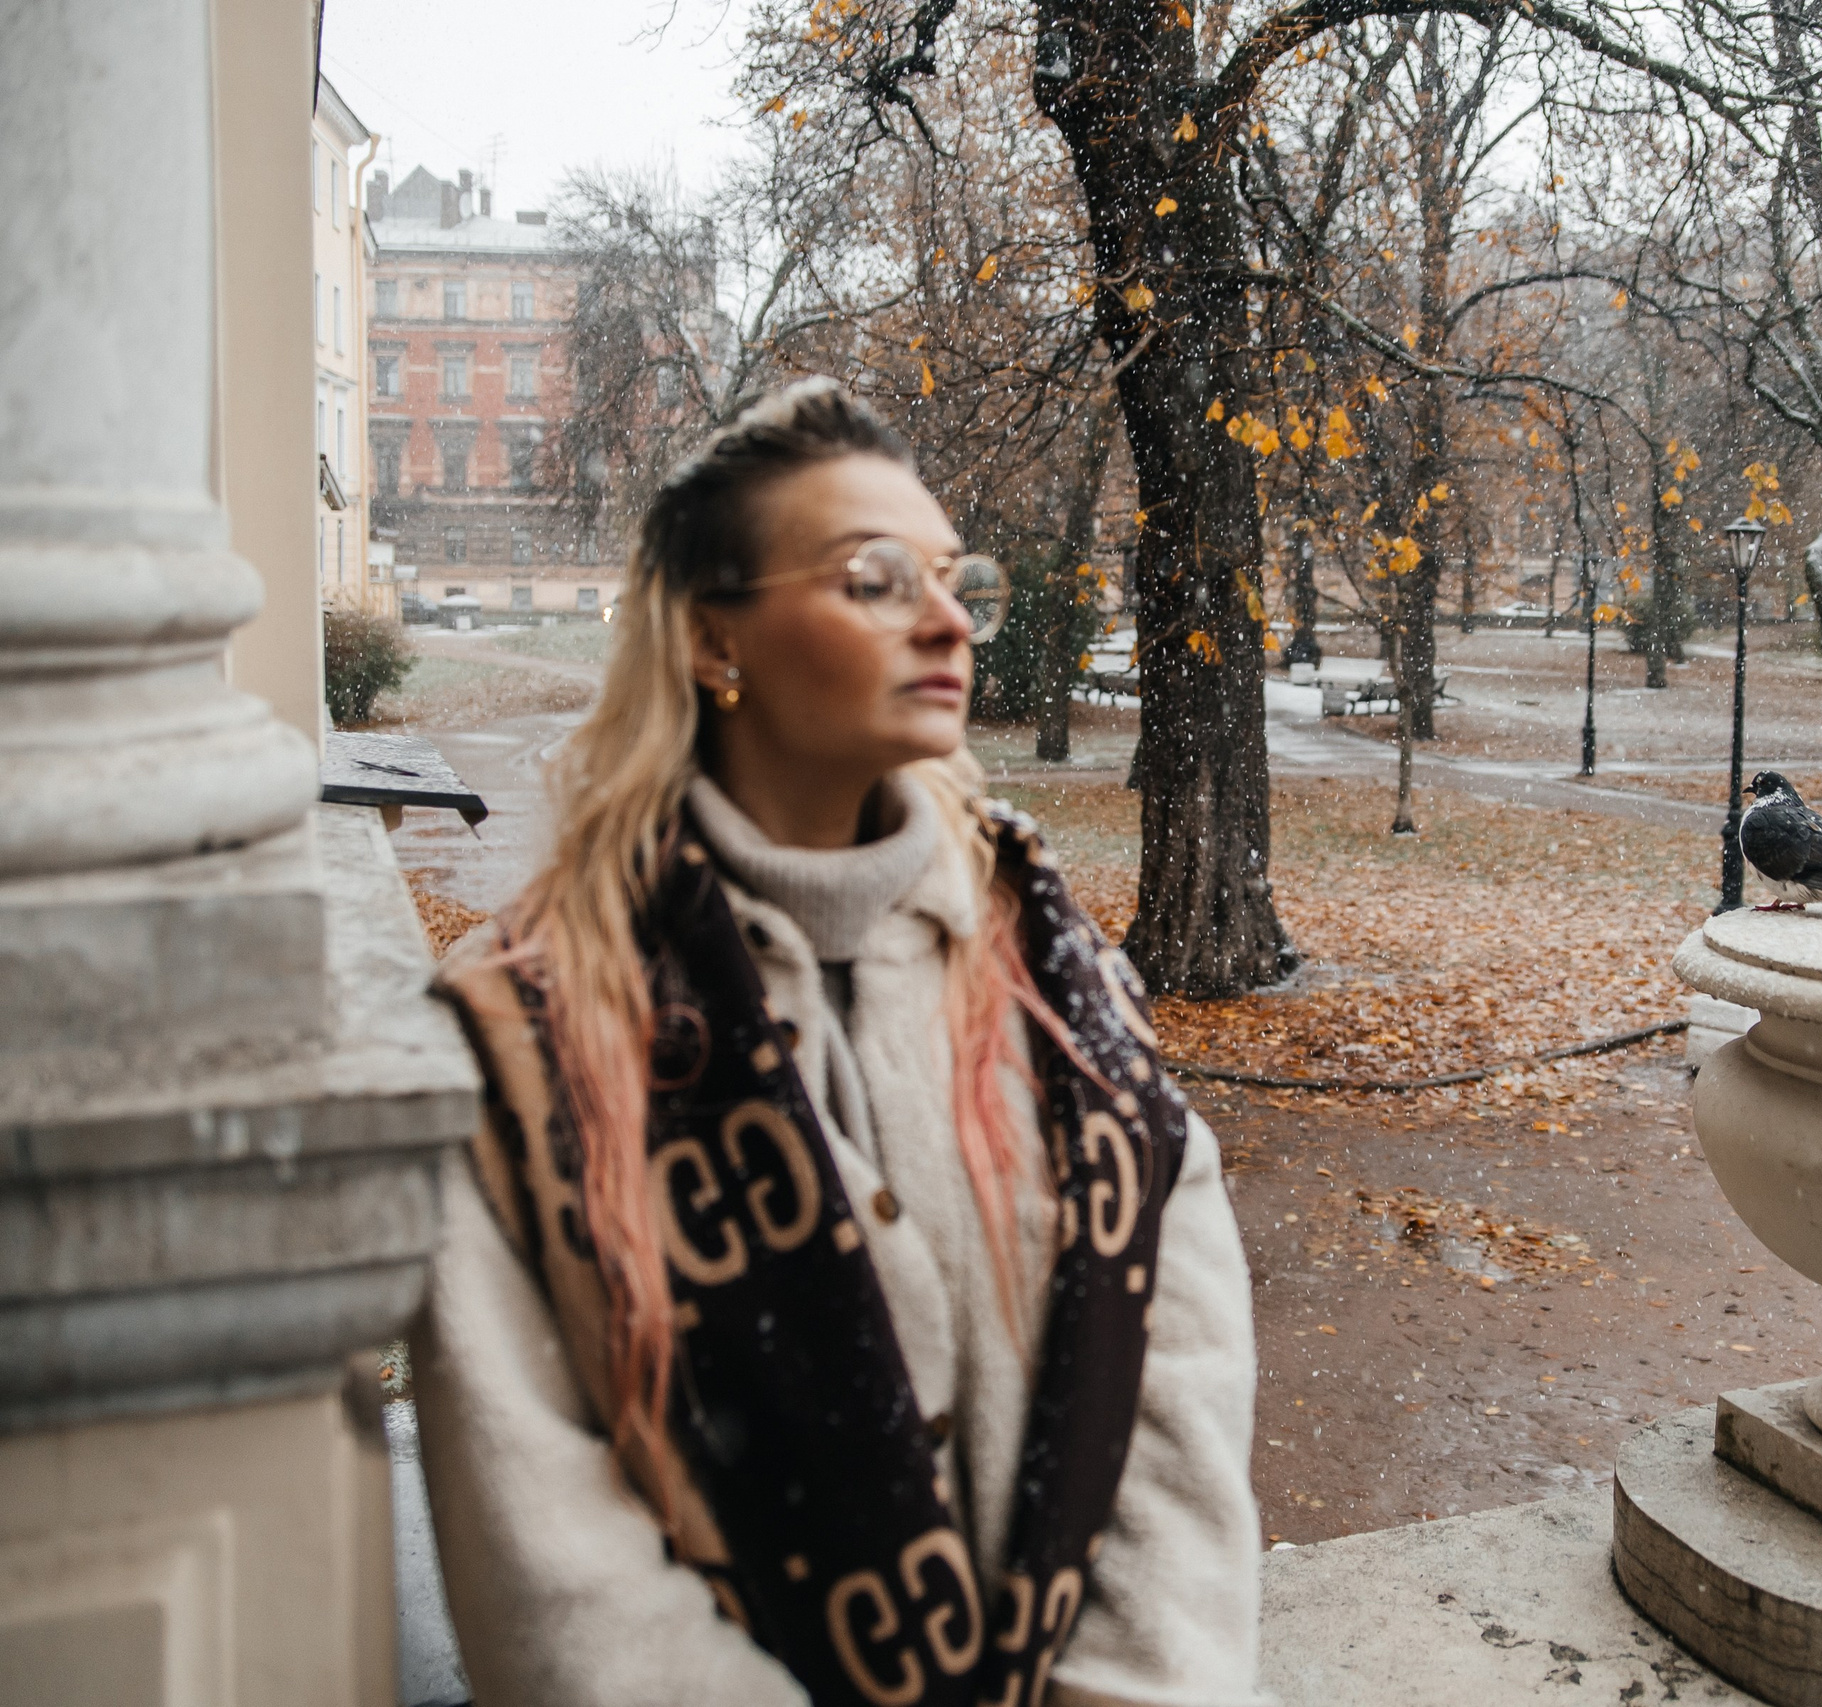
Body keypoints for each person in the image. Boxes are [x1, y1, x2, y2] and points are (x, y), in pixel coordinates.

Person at [416, 379, 1263, 1707]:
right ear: (713, 638)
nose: (947, 619)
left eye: (951, 574)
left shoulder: (1066, 985)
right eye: (874, 578)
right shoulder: (528, 1034)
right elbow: (554, 1559)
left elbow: (1180, 1410)